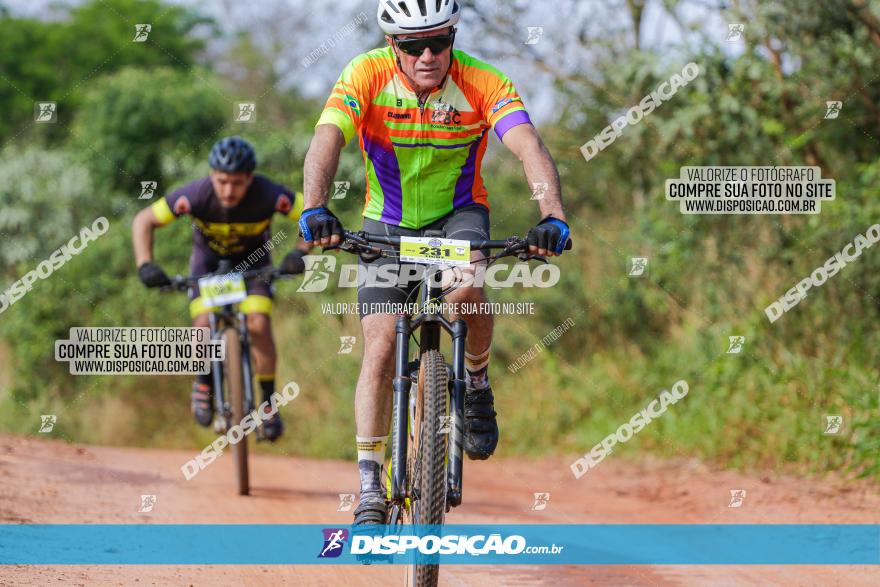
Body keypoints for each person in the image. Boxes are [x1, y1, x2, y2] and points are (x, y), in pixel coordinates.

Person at [299, 0, 570, 523]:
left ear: (453, 37)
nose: (428, 55)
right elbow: (327, 137)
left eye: (439, 42)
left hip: (458, 216)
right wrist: (315, 204)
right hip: (387, 220)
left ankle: (477, 381)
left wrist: (552, 213)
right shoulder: (365, 73)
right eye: (412, 45)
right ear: (390, 46)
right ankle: (370, 483)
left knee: (467, 289)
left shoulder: (483, 80)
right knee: (379, 345)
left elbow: (527, 145)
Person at [132, 136, 310, 441]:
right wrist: (145, 263)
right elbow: (144, 220)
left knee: (258, 324)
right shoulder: (196, 194)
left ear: (250, 179)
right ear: (212, 176)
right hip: (208, 268)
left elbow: (311, 214)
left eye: (237, 183)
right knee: (202, 324)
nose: (228, 190)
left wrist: (299, 252)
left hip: (253, 268)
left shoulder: (268, 193)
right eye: (222, 181)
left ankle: (267, 401)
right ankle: (203, 383)